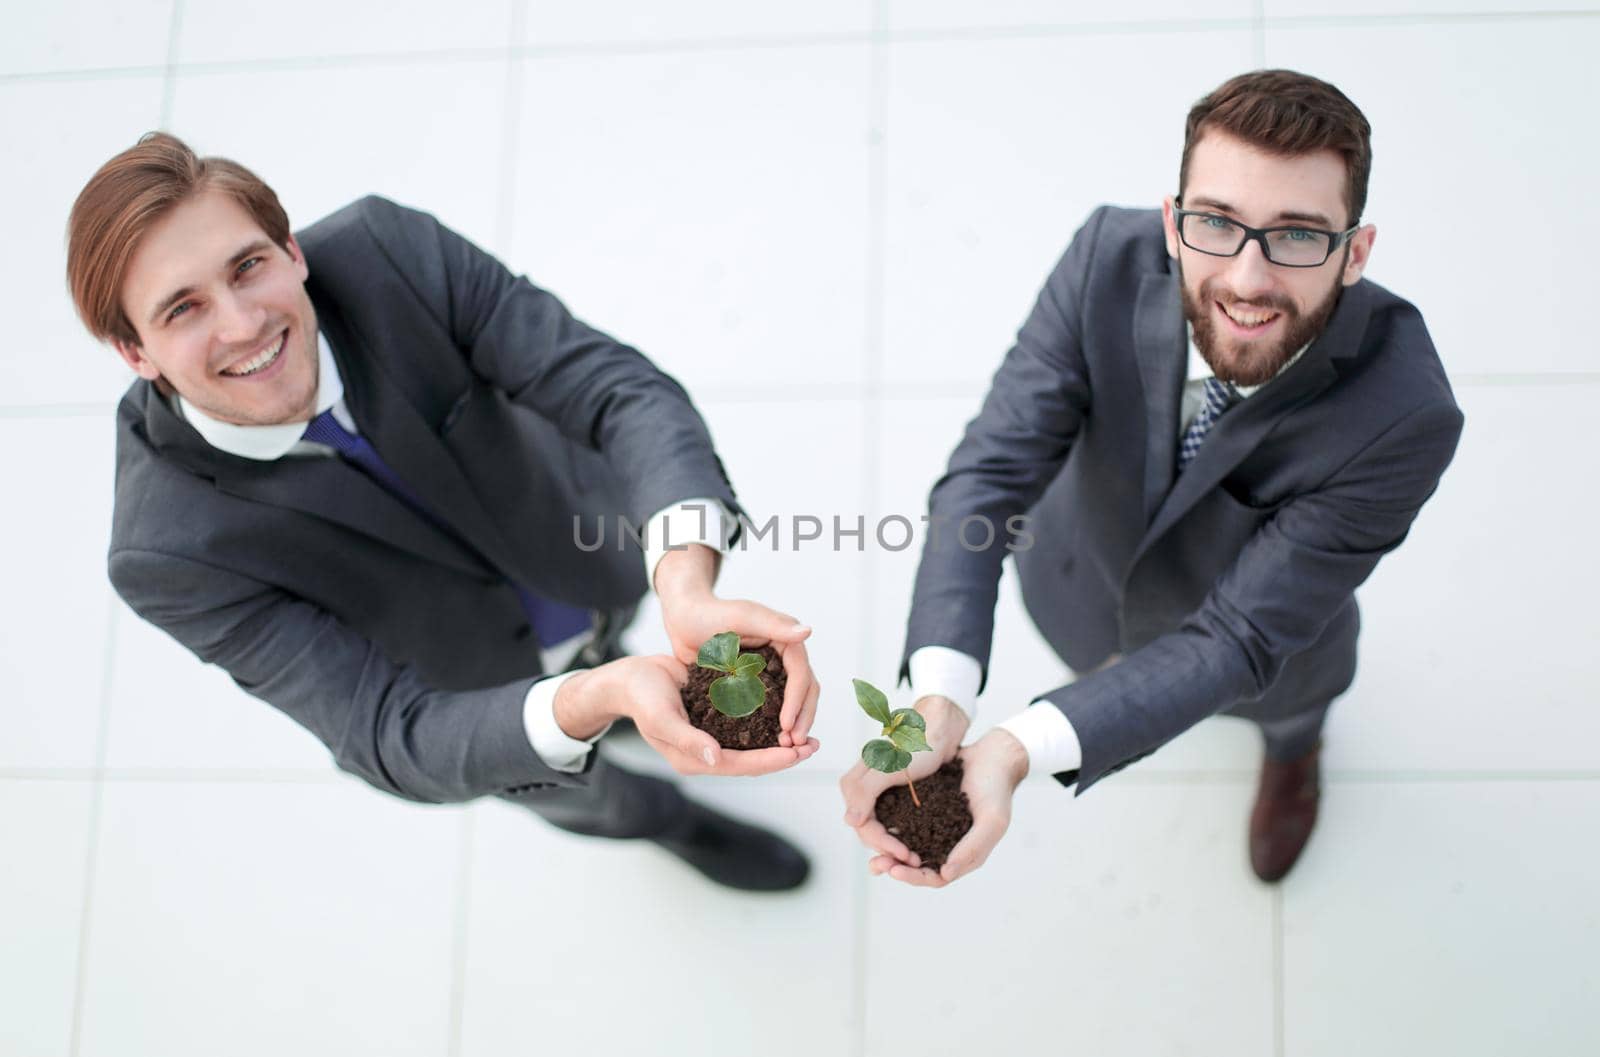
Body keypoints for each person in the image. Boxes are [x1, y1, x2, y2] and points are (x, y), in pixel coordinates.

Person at [68, 132, 821, 891]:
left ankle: (620, 677)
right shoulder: (166, 550)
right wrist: (585, 701)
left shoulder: (382, 253)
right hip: (482, 697)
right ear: (136, 353)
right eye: (183, 309)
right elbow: (384, 731)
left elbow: (620, 392)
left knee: (619, 639)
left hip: (575, 547)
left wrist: (686, 588)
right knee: (595, 794)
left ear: (292, 250)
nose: (242, 325)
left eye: (247, 266)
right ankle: (674, 823)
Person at [840, 69, 1464, 885]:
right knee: (1105, 656)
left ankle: (1294, 756)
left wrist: (1015, 748)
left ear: (1356, 253)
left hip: (1269, 645)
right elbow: (987, 477)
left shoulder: (1407, 410)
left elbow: (1240, 637)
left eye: (1299, 235)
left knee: (1288, 711)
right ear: (1173, 224)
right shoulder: (1105, 255)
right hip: (1081, 581)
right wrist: (939, 698)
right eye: (1217, 223)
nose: (1247, 281)